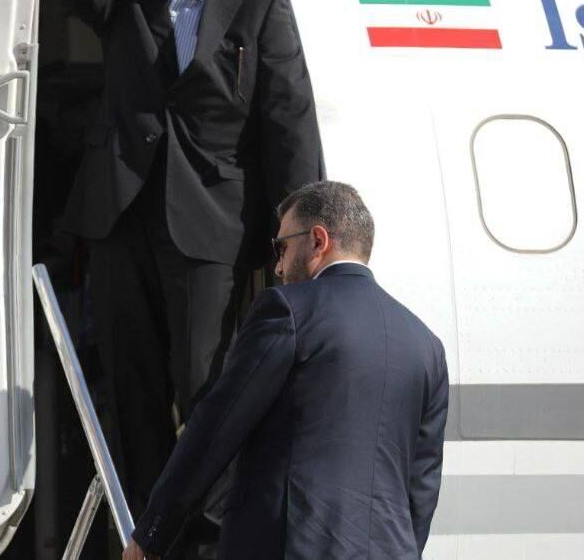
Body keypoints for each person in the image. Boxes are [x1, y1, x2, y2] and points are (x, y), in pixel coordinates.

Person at [58, 0, 324, 554]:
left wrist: (301, 239)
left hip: (213, 231)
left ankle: (207, 542)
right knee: (132, 390)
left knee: (210, 394)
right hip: (120, 220)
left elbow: (288, 124)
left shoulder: (259, 8)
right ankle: (146, 539)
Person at [123, 181, 450, 560]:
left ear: (317, 240)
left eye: (281, 248)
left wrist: (154, 531)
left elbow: (217, 426)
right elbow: (422, 487)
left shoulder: (288, 310)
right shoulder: (427, 345)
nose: (277, 266)